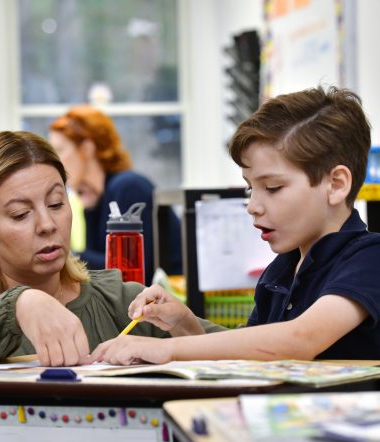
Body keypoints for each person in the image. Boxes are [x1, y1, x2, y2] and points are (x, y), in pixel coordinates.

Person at [89, 85, 380, 365]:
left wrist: (170, 348)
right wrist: (184, 323)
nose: (253, 206)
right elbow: (247, 357)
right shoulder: (280, 271)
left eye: (273, 187)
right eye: (250, 189)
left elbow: (300, 340)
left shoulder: (369, 258)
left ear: (337, 184)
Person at [0, 131, 223, 366]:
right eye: (21, 214)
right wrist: (16, 305)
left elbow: (251, 358)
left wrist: (186, 328)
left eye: (57, 204)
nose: (47, 225)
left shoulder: (124, 302)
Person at [49, 105, 182, 285]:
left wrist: (66, 254)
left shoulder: (128, 186)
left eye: (60, 150)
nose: (55, 161)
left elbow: (128, 272)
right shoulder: (95, 197)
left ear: (87, 149)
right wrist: (90, 207)